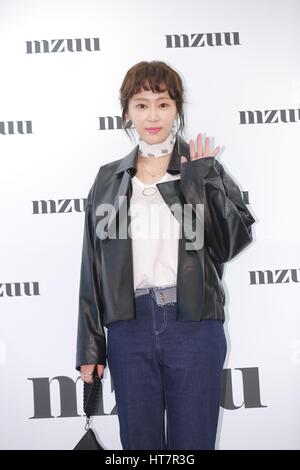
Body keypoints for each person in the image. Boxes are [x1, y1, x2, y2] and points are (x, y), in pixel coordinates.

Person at [76, 60, 256, 450]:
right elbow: (92, 267)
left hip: (193, 323)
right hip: (129, 328)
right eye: (141, 105)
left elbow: (228, 245)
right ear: (126, 112)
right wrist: (91, 348)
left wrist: (202, 180)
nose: (152, 115)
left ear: (177, 109)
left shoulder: (201, 166)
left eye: (163, 103)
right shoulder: (108, 179)